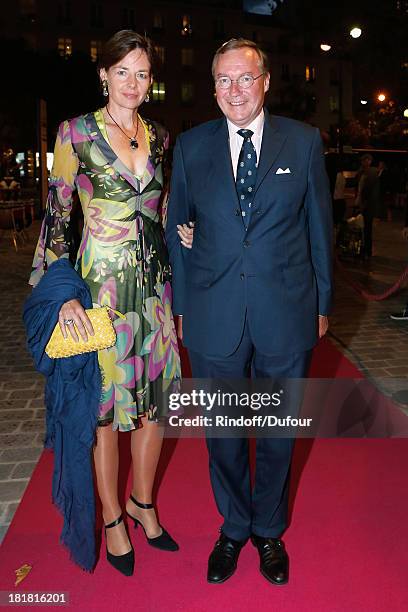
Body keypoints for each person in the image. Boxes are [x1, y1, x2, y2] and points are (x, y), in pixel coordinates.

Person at [166, 38, 333, 586]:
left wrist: (323, 304)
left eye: (244, 78)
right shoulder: (190, 148)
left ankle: (269, 530)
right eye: (223, 80)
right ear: (212, 87)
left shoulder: (304, 143)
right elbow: (178, 231)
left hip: (286, 311)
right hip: (214, 315)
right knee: (225, 432)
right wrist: (185, 306)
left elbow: (319, 231)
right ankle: (234, 527)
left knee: (279, 432)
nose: (233, 90)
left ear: (264, 82)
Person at [28, 30, 187, 576]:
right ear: (103, 74)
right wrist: (61, 293)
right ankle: (113, 515)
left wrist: (181, 233)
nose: (133, 83)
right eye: (123, 71)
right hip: (100, 293)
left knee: (156, 402)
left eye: (143, 73)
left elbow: (163, 212)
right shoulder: (73, 133)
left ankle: (144, 504)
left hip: (156, 291)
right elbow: (56, 217)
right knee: (103, 410)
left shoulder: (161, 136)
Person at [355, 153, 380, 258]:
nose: (364, 162)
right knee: (362, 227)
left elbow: (368, 190)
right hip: (362, 203)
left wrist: (364, 203)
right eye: (363, 160)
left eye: (366, 160)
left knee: (366, 228)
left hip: (366, 205)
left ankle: (366, 250)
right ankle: (363, 249)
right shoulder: (362, 173)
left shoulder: (371, 173)